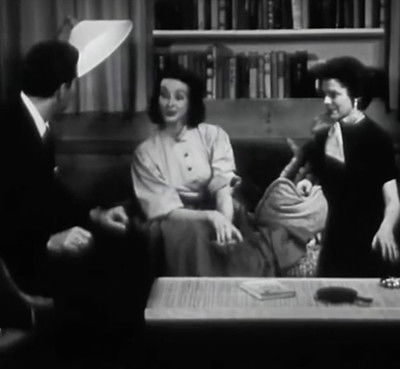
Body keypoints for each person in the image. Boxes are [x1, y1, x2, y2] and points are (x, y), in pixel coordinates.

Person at [131, 64, 327, 277]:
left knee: (248, 249)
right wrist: (210, 217)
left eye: (179, 97)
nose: (170, 104)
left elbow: (222, 188)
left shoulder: (213, 135)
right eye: (164, 95)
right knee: (190, 233)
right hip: (179, 219)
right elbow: (166, 208)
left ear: (190, 102)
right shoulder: (145, 153)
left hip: (221, 207)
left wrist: (223, 219)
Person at [0, 40, 134, 328]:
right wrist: (48, 243)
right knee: (106, 276)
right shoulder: (8, 127)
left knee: (124, 247)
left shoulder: (36, 123)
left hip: (31, 244)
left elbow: (49, 191)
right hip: (14, 264)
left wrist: (95, 214)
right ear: (63, 90)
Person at [285, 56, 400, 277]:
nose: (327, 101)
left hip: (370, 238)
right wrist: (308, 183)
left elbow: (393, 199)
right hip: (334, 241)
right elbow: (317, 175)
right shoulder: (323, 136)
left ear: (355, 95)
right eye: (324, 95)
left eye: (334, 94)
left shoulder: (377, 139)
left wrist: (386, 228)